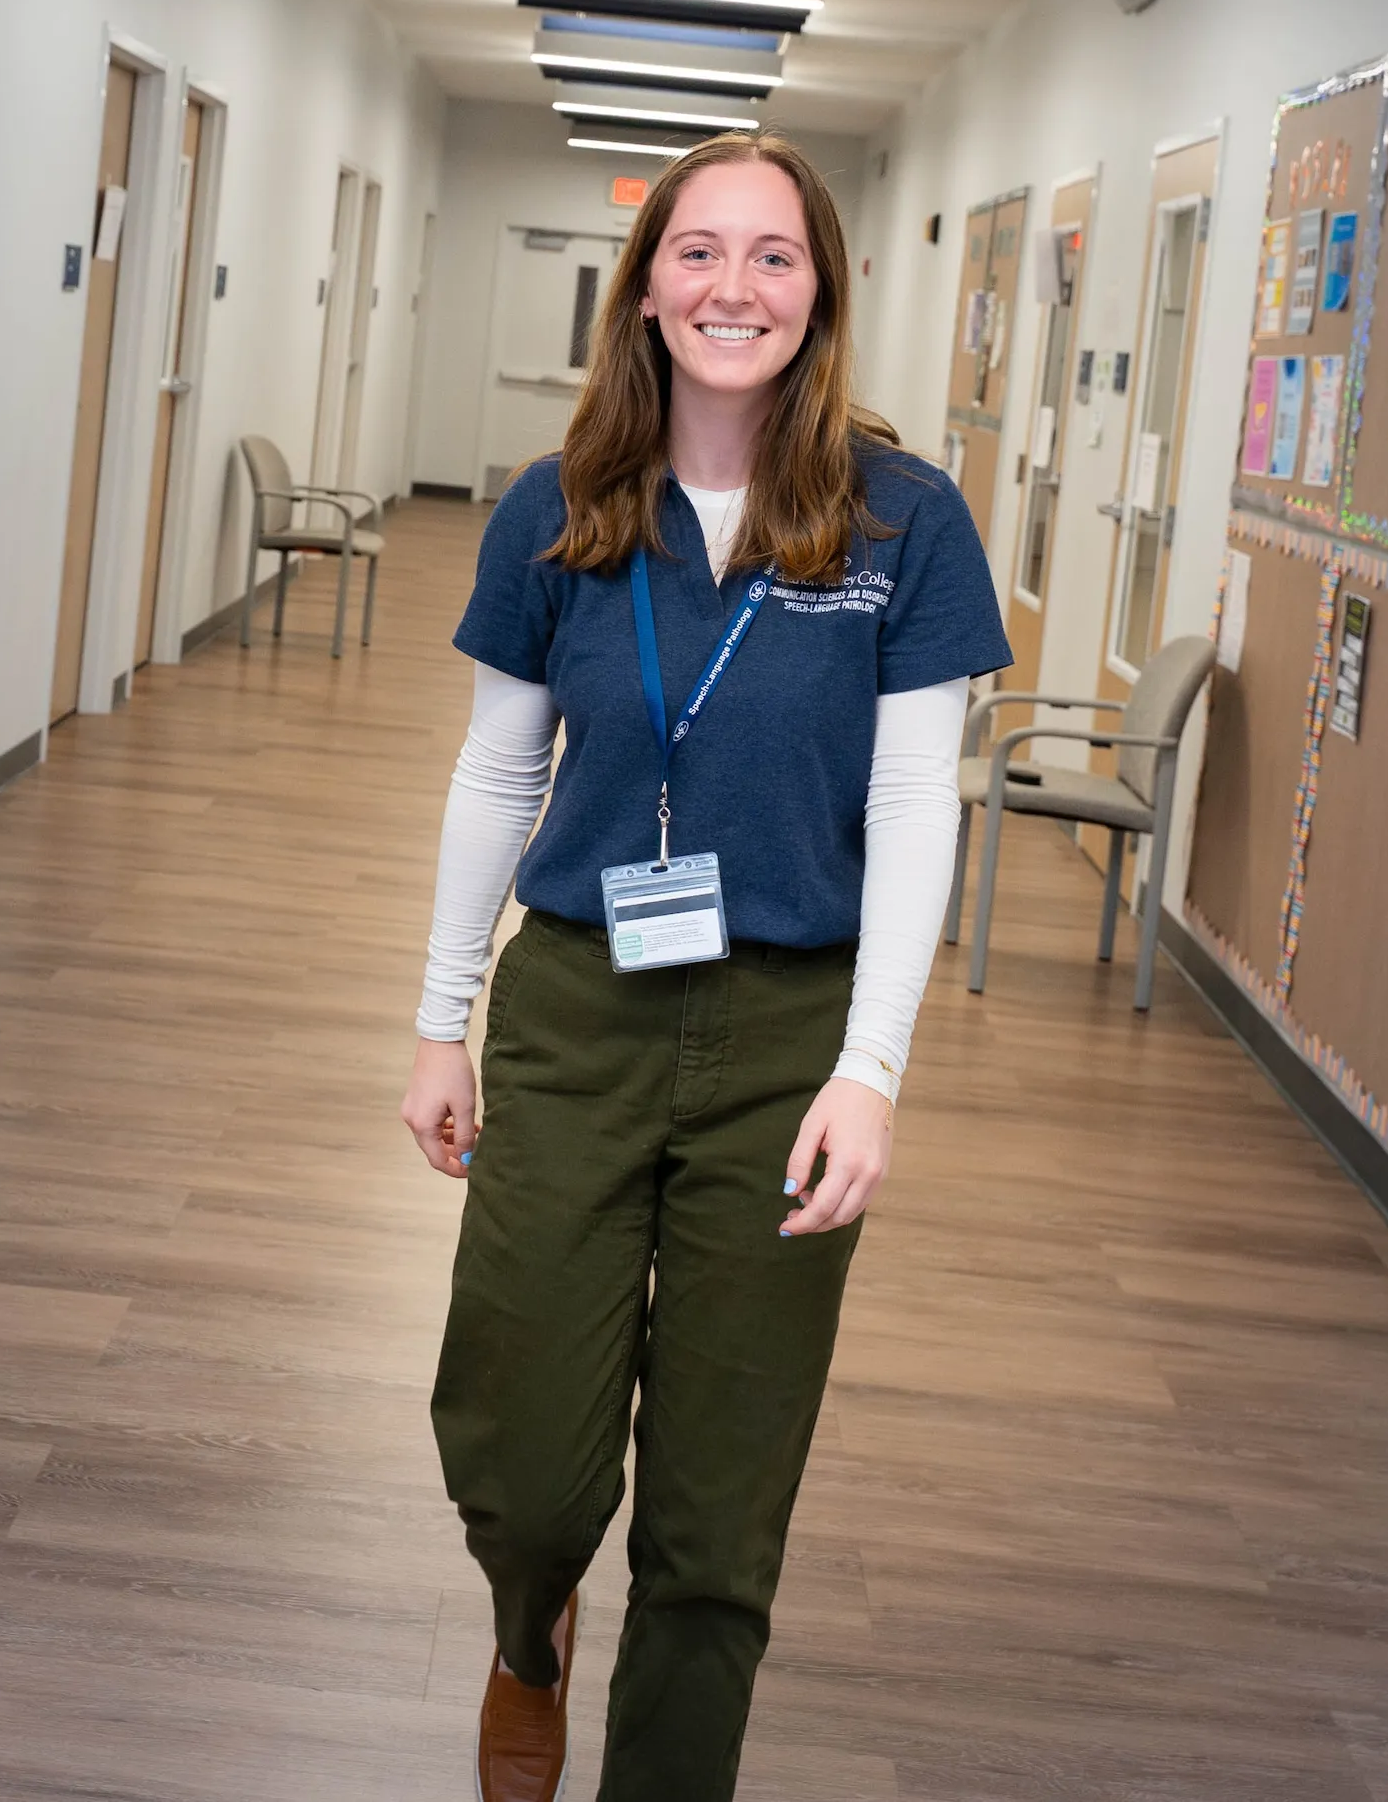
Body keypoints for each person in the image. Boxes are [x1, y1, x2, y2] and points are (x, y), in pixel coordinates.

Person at [402, 131, 1011, 1802]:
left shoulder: (906, 518)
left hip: (789, 1030)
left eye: (772, 256)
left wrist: (873, 1067)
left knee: (717, 1517)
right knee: (526, 1468)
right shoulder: (561, 503)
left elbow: (912, 808)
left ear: (820, 291)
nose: (732, 286)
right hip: (578, 1008)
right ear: (646, 282)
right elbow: (492, 776)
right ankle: (532, 1634)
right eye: (698, 251)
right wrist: (439, 1019)